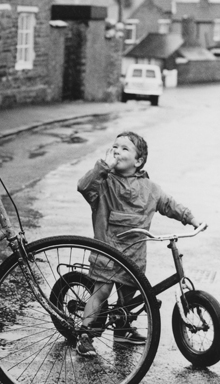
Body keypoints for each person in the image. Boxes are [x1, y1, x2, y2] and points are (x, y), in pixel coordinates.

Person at [75, 131, 203, 357]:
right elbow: (84, 186)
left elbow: (169, 204)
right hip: (107, 252)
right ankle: (84, 335)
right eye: (115, 147)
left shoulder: (150, 188)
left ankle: (122, 330)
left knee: (128, 298)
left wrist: (191, 218)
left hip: (134, 256)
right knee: (101, 292)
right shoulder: (104, 184)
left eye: (125, 148)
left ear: (139, 161)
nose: (117, 151)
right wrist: (103, 165)